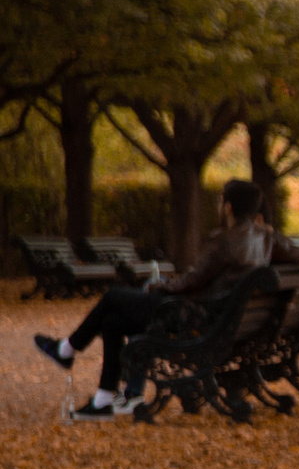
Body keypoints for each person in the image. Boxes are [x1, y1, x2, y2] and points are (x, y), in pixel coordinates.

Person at [33, 179, 275, 420]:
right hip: (217, 318)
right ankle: (103, 399)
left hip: (192, 317)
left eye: (221, 200)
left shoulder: (225, 240)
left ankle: (67, 349)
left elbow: (191, 282)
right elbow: (293, 254)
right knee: (112, 322)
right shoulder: (265, 238)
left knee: (114, 295)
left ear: (228, 207)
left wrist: (159, 286)